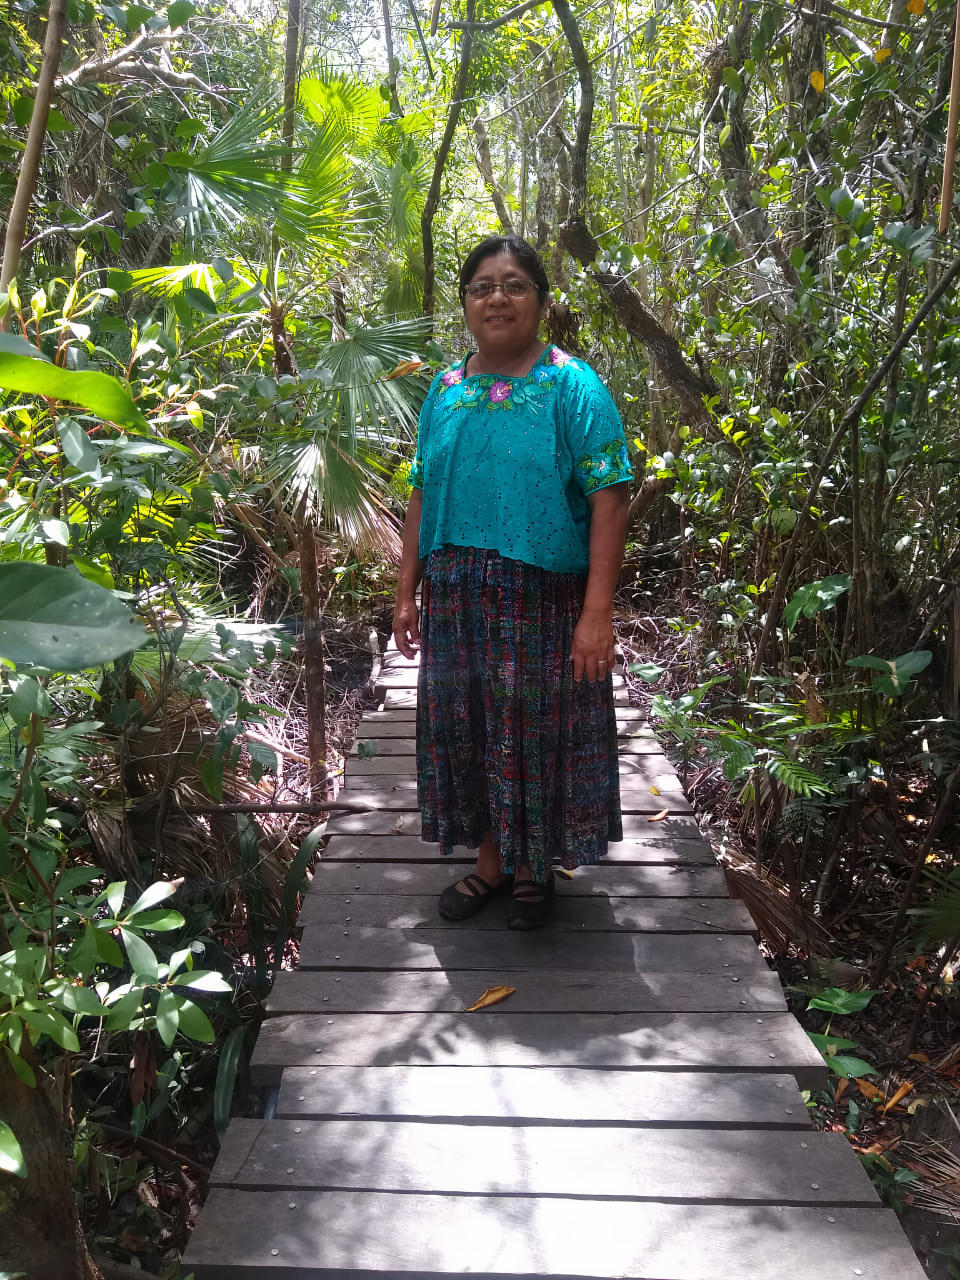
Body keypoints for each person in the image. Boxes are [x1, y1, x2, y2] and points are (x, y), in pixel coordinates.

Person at [392, 234, 632, 929]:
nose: (497, 297)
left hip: (539, 598)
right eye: (482, 286)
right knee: (468, 731)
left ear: (541, 301)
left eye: (515, 284)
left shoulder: (572, 385)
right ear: (465, 303)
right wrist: (406, 590)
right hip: (454, 595)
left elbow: (610, 497)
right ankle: (492, 862)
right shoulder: (445, 388)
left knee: (527, 733)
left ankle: (532, 868)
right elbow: (420, 489)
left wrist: (597, 614)